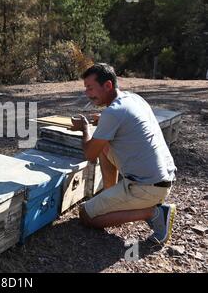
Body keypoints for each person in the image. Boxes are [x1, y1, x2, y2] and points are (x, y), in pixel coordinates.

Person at [71, 63, 177, 245]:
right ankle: (111, 194)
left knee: (85, 215)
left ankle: (154, 213)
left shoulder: (113, 113)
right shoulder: (132, 98)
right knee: (104, 145)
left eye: (90, 88)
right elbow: (124, 122)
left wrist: (85, 129)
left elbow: (89, 154)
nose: (87, 93)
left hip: (147, 187)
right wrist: (103, 120)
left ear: (108, 86)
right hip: (163, 177)